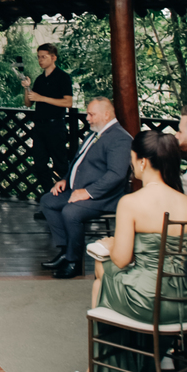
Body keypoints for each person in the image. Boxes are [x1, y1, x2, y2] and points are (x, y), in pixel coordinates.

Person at [90, 130, 187, 372]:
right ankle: (140, 362)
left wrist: (111, 243)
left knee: (101, 270)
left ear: (143, 162)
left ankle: (103, 371)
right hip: (185, 300)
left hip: (148, 302)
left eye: (132, 158)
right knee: (107, 281)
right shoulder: (186, 202)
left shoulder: (131, 202)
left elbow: (122, 260)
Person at [36, 97, 134, 278]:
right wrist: (65, 180)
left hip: (104, 197)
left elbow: (116, 175)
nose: (87, 118)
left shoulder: (120, 138)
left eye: (91, 114)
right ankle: (65, 251)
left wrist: (87, 192)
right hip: (78, 190)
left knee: (71, 212)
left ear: (106, 114)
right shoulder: (94, 133)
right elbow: (78, 162)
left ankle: (74, 262)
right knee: (48, 201)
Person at [23, 42, 73, 192]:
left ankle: (66, 194)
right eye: (38, 57)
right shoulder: (40, 79)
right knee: (39, 163)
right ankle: (48, 194)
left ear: (53, 58)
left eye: (43, 57)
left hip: (55, 125)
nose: (40, 60)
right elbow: (28, 103)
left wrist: (42, 98)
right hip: (40, 126)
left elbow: (68, 102)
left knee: (60, 164)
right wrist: (27, 88)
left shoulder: (63, 77)